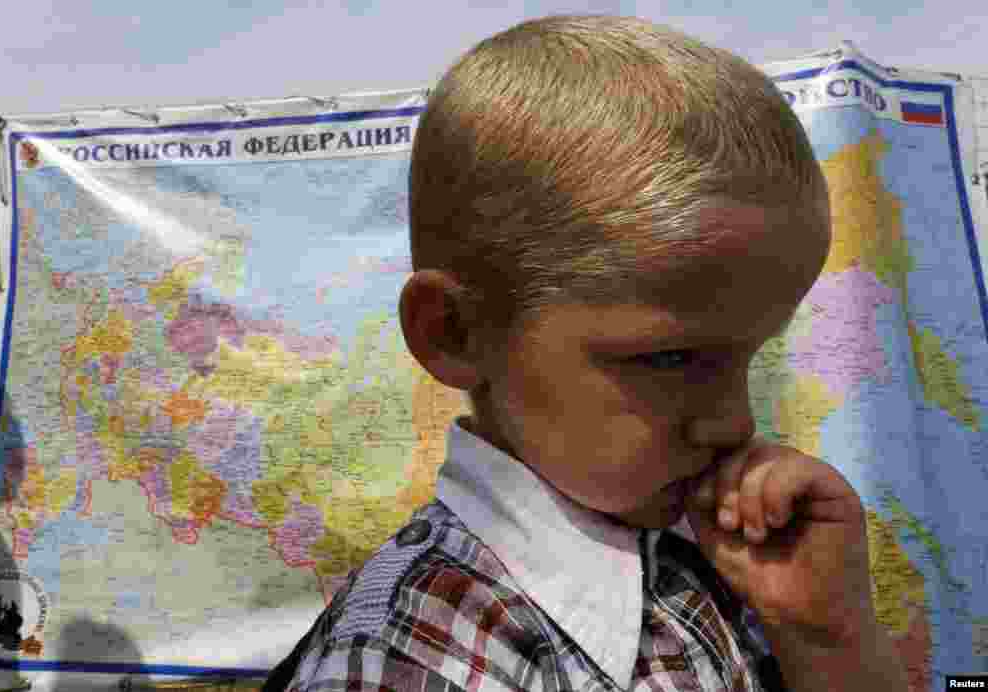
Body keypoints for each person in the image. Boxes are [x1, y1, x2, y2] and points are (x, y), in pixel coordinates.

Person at [263, 14, 908, 692]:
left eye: (752, 355)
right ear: (454, 332)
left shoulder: (715, 553)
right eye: (670, 359)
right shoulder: (417, 649)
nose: (733, 423)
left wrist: (826, 634)